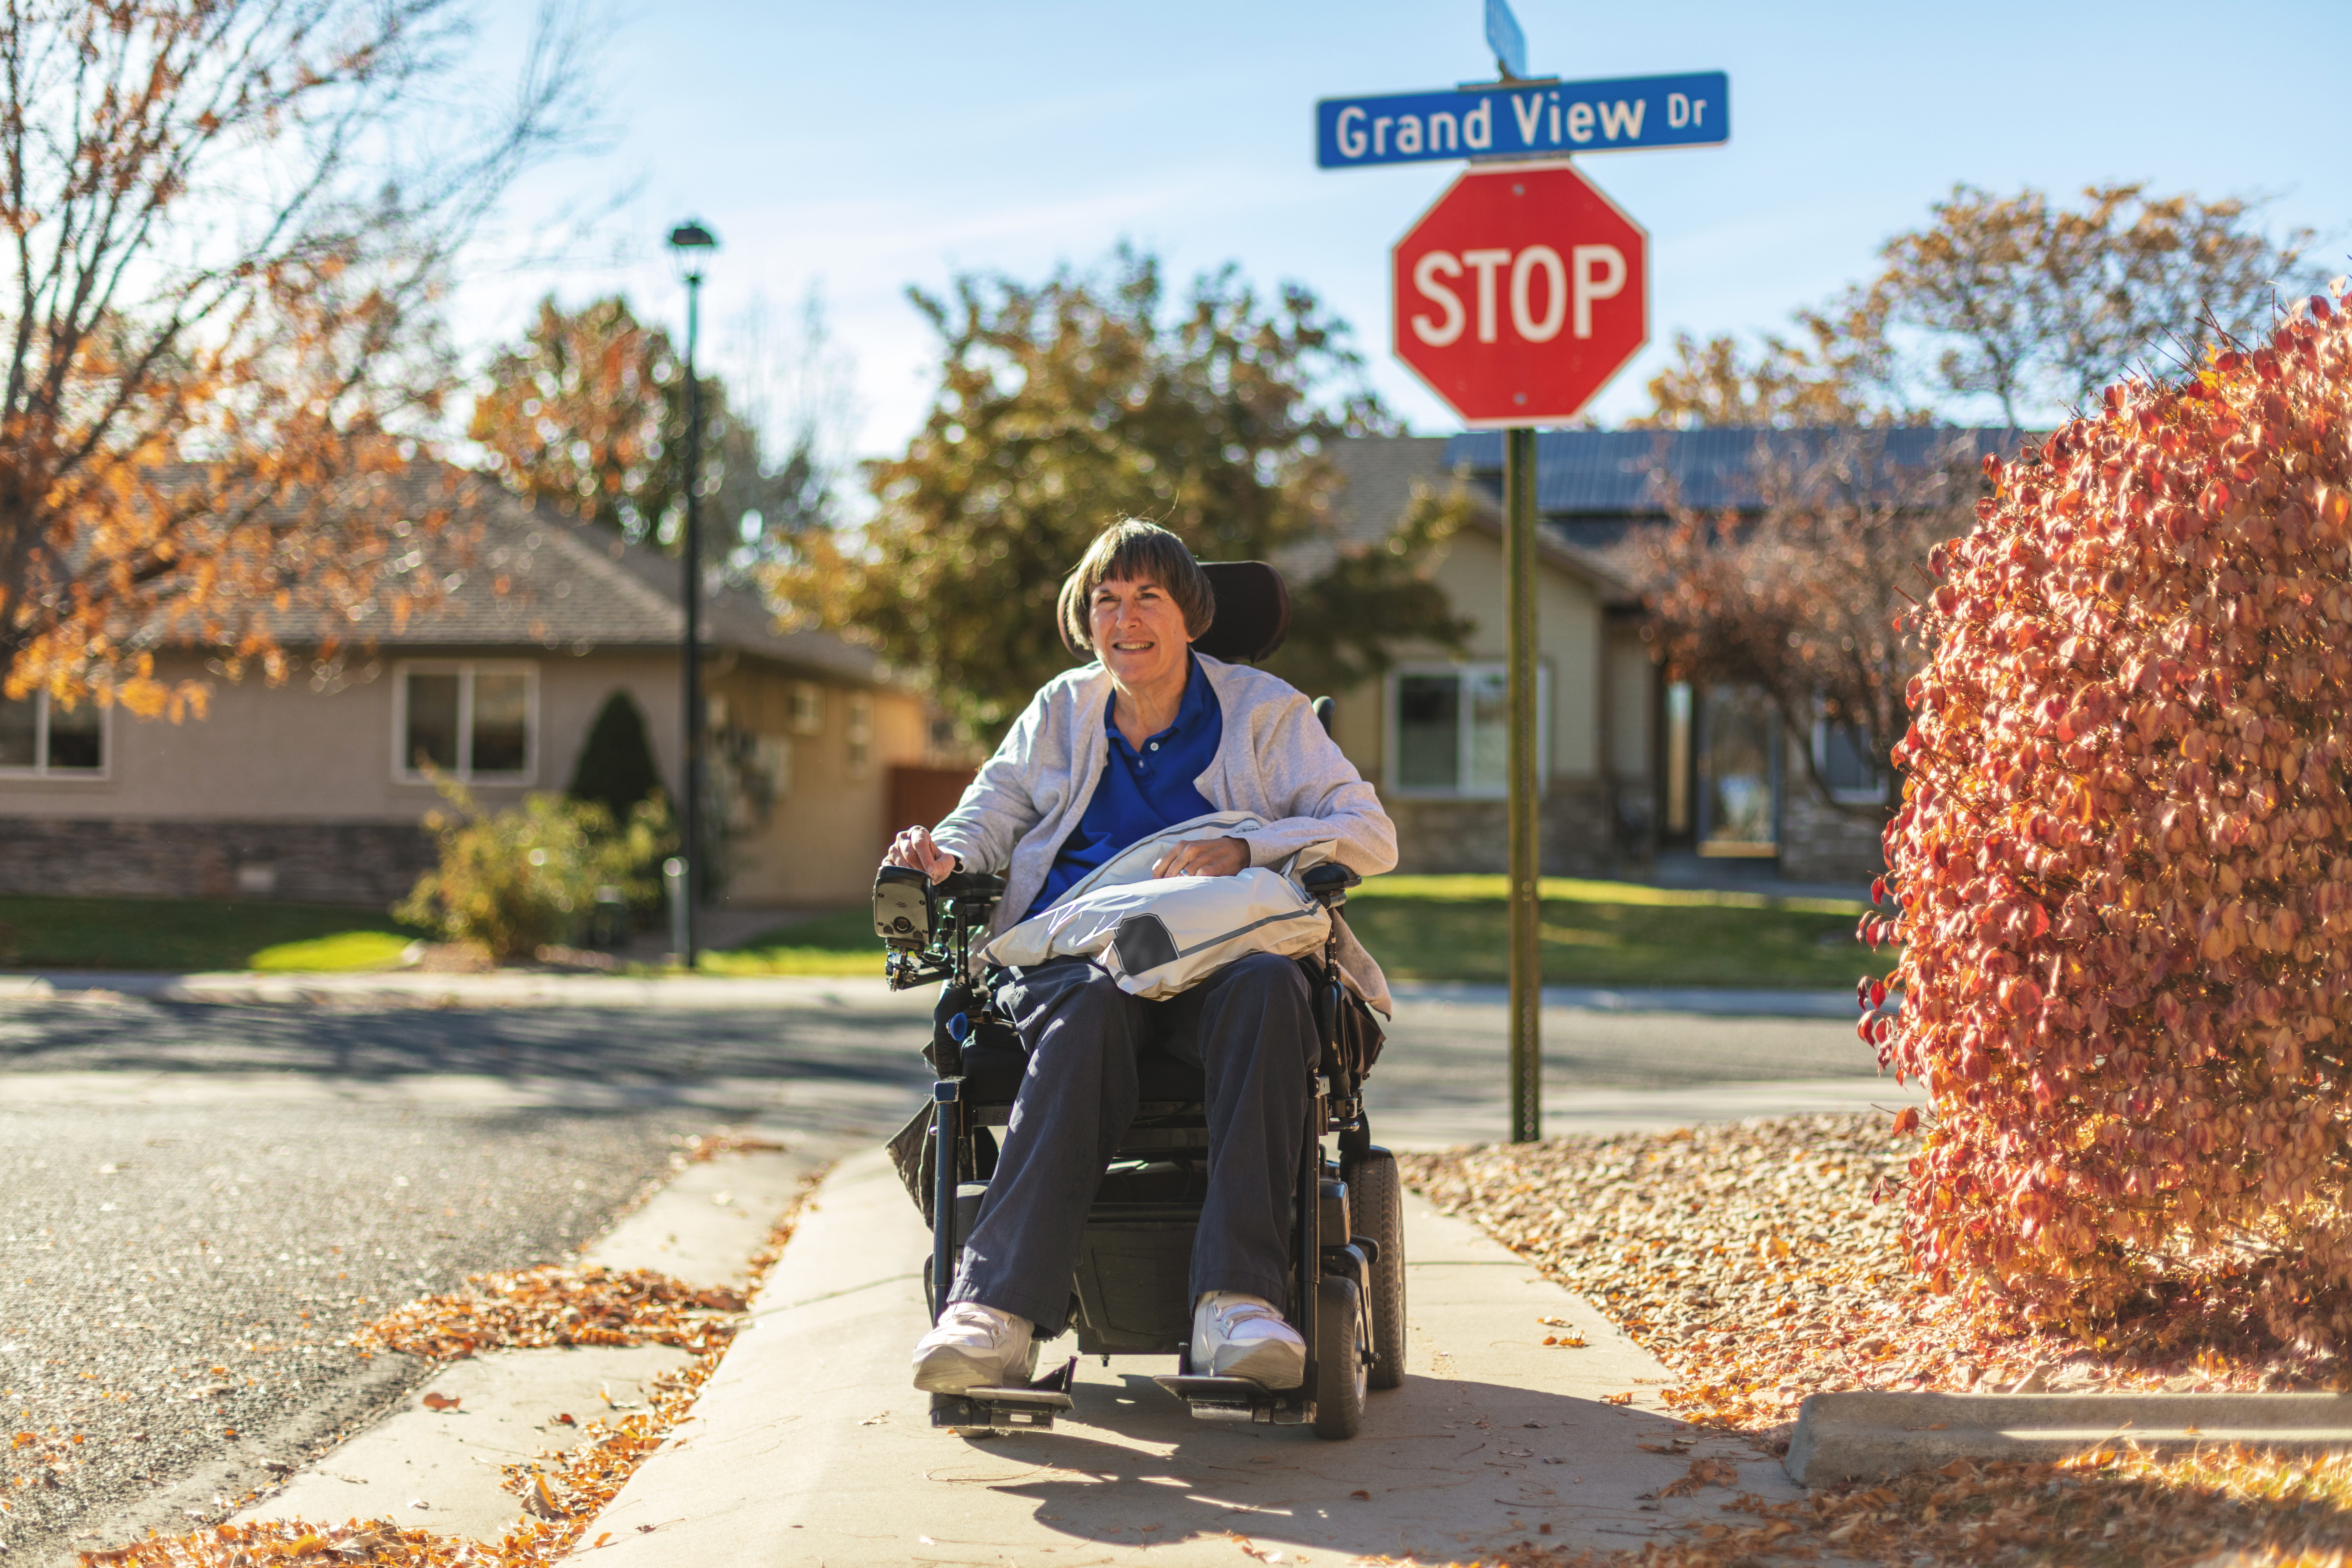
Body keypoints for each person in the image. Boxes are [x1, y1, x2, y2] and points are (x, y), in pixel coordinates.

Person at [884, 520, 1396, 1395]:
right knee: (1084, 1008)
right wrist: (944, 857)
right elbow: (989, 815)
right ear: (1087, 621)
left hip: (1218, 961)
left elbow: (1369, 835)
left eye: (1146, 598)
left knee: (1272, 986)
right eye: (1106, 601)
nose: (1125, 619)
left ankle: (1238, 1303)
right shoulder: (1060, 711)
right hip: (1083, 959)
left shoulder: (1265, 714)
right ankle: (994, 1314)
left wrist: (1249, 850)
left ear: (1190, 615)